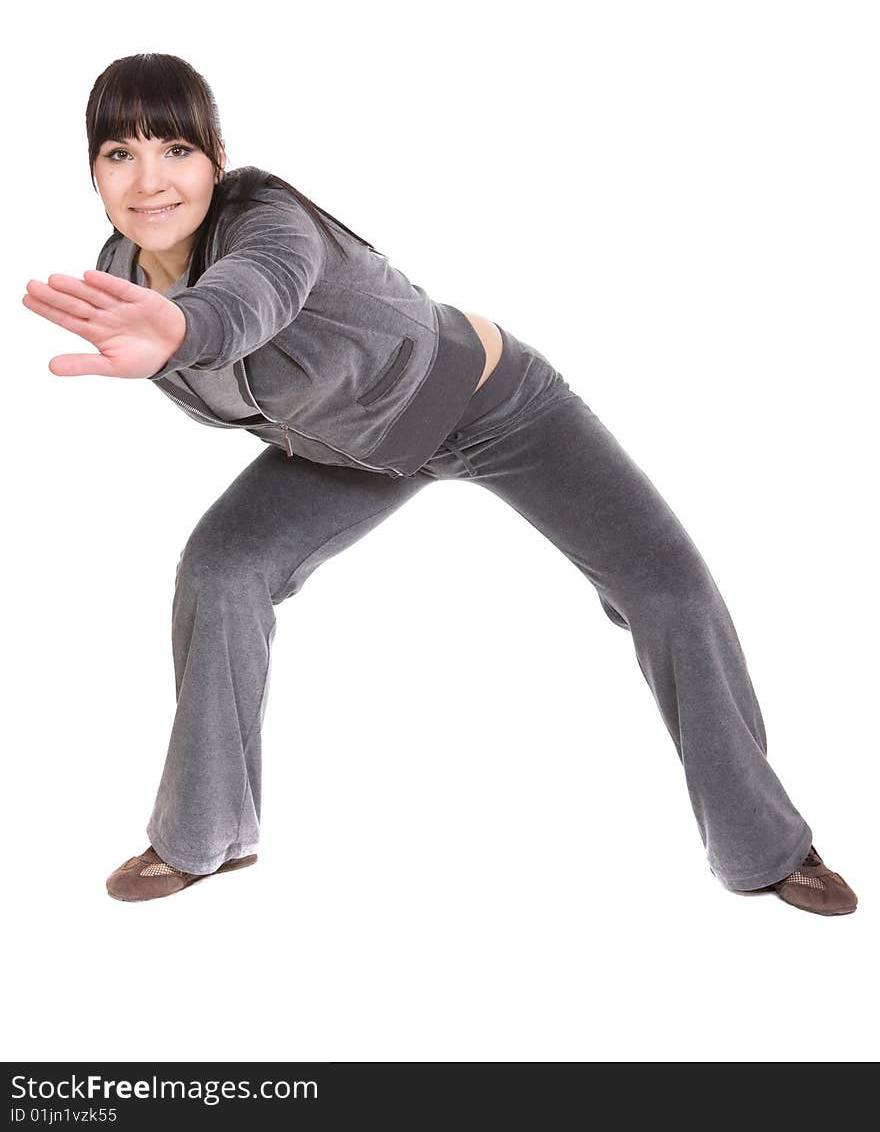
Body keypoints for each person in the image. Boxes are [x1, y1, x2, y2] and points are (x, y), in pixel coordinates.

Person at [22, 52, 856, 917]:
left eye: (176, 150)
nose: (150, 180)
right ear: (92, 169)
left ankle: (769, 849)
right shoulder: (116, 276)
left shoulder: (267, 217)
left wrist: (187, 326)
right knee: (221, 569)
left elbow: (250, 298)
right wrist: (170, 321)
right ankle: (204, 836)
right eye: (120, 154)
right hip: (358, 451)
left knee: (668, 586)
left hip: (492, 404)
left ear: (217, 157)